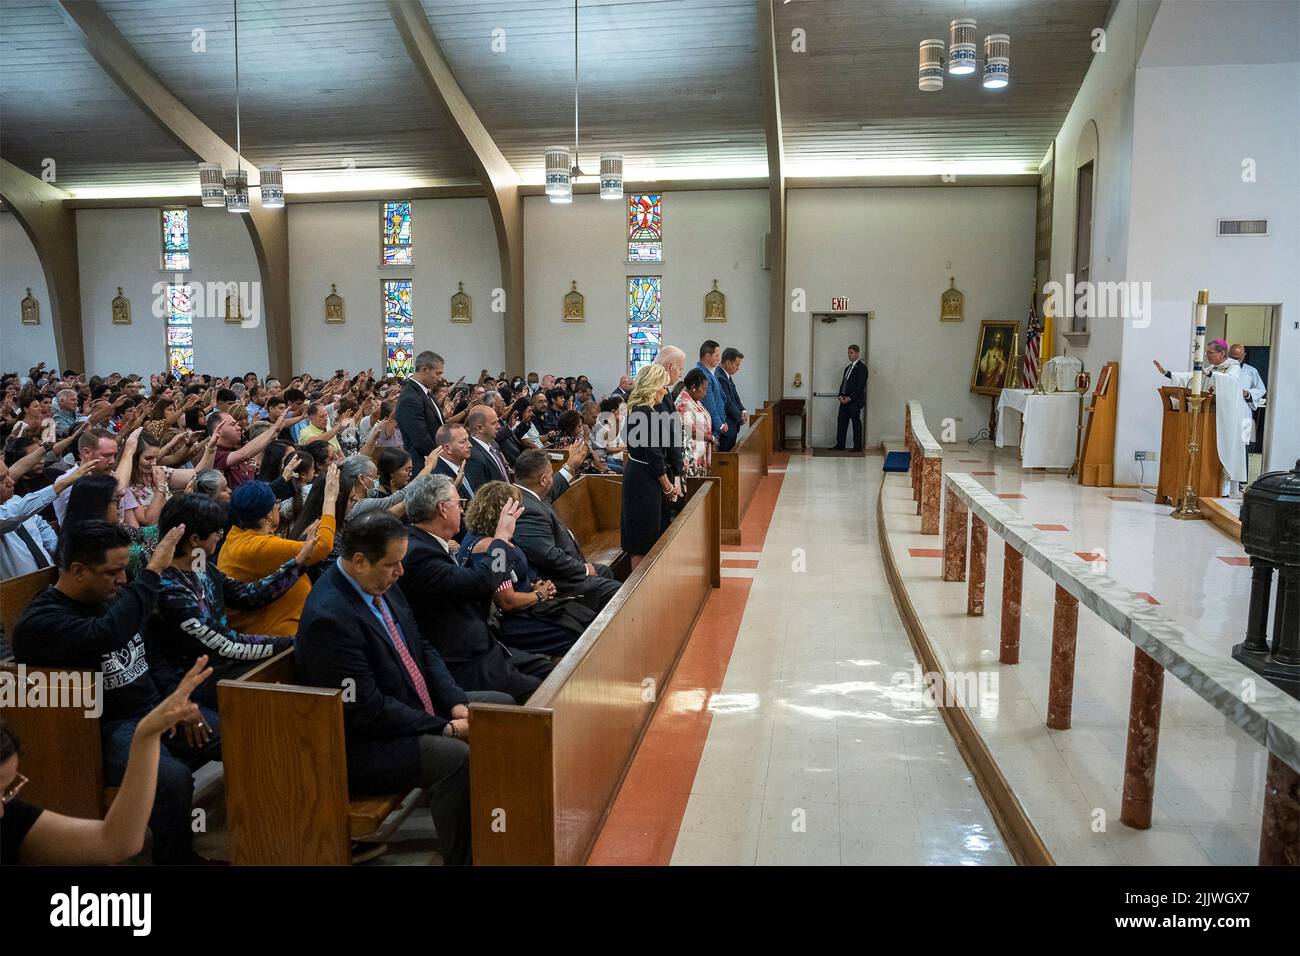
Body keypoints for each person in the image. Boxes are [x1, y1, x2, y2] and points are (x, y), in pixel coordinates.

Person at [294, 510, 513, 866]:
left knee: (500, 707)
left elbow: (422, 646)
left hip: (409, 706)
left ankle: (503, 829)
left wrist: (455, 703)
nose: (401, 572)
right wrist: (445, 727)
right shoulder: (329, 619)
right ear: (360, 561)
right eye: (393, 564)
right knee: (455, 759)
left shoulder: (381, 583)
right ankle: (465, 859)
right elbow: (366, 709)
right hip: (364, 743)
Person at [11, 520, 222, 865]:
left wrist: (176, 700)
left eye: (126, 570)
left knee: (241, 733)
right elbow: (107, 633)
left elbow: (152, 657)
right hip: (105, 730)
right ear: (78, 570)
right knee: (172, 780)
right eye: (113, 572)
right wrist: (153, 570)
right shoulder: (41, 623)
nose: (123, 580)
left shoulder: (115, 596)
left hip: (152, 708)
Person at [1, 657, 212, 865]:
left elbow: (115, 842)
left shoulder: (9, 815)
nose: (4, 806)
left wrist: (147, 735)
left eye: (7, 790)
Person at [399, 475, 554, 701]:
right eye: (459, 503)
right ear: (443, 508)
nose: (462, 511)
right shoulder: (418, 553)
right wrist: (501, 538)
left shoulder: (426, 543)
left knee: (552, 672)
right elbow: (483, 583)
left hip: (486, 646)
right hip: (465, 661)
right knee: (543, 694)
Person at [151, 494, 309, 707]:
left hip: (224, 666)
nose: (220, 536)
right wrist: (294, 643)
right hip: (196, 683)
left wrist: (298, 562)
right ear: (195, 540)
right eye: (217, 532)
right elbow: (227, 644)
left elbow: (248, 595)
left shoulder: (200, 566)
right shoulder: (169, 590)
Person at [459, 482, 584, 658]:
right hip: (512, 622)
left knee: (585, 616)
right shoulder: (492, 548)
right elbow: (507, 601)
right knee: (581, 637)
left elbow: (513, 577)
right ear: (503, 512)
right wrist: (540, 595)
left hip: (528, 606)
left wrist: (535, 586)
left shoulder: (493, 538)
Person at [218, 465, 339, 636]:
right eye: (276, 503)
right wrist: (330, 499)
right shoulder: (257, 546)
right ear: (268, 514)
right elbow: (323, 547)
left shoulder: (237, 535)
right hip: (277, 633)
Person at [513, 448, 621, 609]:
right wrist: (583, 569)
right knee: (618, 592)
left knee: (604, 571)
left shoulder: (531, 494)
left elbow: (553, 486)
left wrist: (570, 467)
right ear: (543, 480)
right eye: (550, 474)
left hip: (569, 570)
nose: (551, 478)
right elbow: (548, 556)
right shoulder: (526, 510)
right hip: (561, 584)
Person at [1154, 339, 1255, 495]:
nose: (1207, 355)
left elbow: (1231, 382)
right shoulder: (1215, 367)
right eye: (1206, 352)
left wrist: (1211, 374)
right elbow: (1194, 377)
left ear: (1221, 353)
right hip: (1210, 416)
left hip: (1226, 418)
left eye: (1210, 352)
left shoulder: (1233, 368)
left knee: (1224, 452)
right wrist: (1168, 373)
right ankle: (1200, 486)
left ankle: (1222, 491)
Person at [1, 453, 97, 581]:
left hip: (49, 579)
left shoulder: (16, 500)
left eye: (8, 474)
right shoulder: (20, 508)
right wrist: (64, 483)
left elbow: (41, 527)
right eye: (1, 479)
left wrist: (61, 554)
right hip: (15, 593)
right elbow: (15, 514)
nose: (11, 482)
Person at [622, 363, 681, 568]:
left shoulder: (639, 410)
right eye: (663, 387)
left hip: (641, 473)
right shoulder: (646, 413)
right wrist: (667, 485)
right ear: (653, 386)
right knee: (642, 538)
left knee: (649, 532)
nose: (665, 392)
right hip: (643, 479)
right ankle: (637, 592)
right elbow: (654, 454)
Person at [395, 350, 446, 459]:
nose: (440, 378)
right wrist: (442, 458)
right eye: (438, 373)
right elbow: (421, 439)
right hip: (423, 460)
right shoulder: (410, 398)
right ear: (424, 370)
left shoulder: (424, 391)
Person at [675, 367, 714, 477]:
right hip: (690, 455)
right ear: (693, 387)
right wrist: (710, 438)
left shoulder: (695, 401)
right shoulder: (684, 403)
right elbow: (689, 429)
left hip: (699, 452)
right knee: (693, 489)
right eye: (704, 389)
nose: (705, 393)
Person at [463, 404, 512, 488]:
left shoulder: (493, 443)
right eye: (493, 423)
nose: (498, 426)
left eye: (497, 421)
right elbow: (482, 493)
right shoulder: (473, 456)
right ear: (480, 428)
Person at [834, 344, 868, 451]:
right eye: (848, 353)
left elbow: (860, 386)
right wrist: (840, 395)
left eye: (851, 353)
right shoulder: (847, 368)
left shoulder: (862, 368)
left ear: (857, 353)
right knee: (841, 422)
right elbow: (844, 383)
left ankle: (857, 446)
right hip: (844, 400)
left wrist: (850, 398)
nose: (849, 355)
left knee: (855, 423)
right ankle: (840, 444)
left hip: (855, 401)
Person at [716, 347, 748, 452]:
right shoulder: (720, 377)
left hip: (732, 426)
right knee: (725, 459)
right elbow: (727, 402)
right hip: (727, 427)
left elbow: (735, 397)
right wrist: (740, 417)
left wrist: (743, 410)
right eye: (737, 365)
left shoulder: (726, 376)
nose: (738, 368)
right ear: (728, 362)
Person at [694, 340, 727, 439]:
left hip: (715, 426)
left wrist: (723, 421)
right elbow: (709, 403)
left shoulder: (708, 372)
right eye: (716, 356)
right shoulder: (703, 374)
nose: (719, 359)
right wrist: (719, 424)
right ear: (707, 356)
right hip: (711, 428)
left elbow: (719, 398)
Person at [434, 423, 474, 499]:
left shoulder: (463, 465)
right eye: (463, 441)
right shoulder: (438, 476)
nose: (470, 445)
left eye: (468, 440)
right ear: (447, 448)